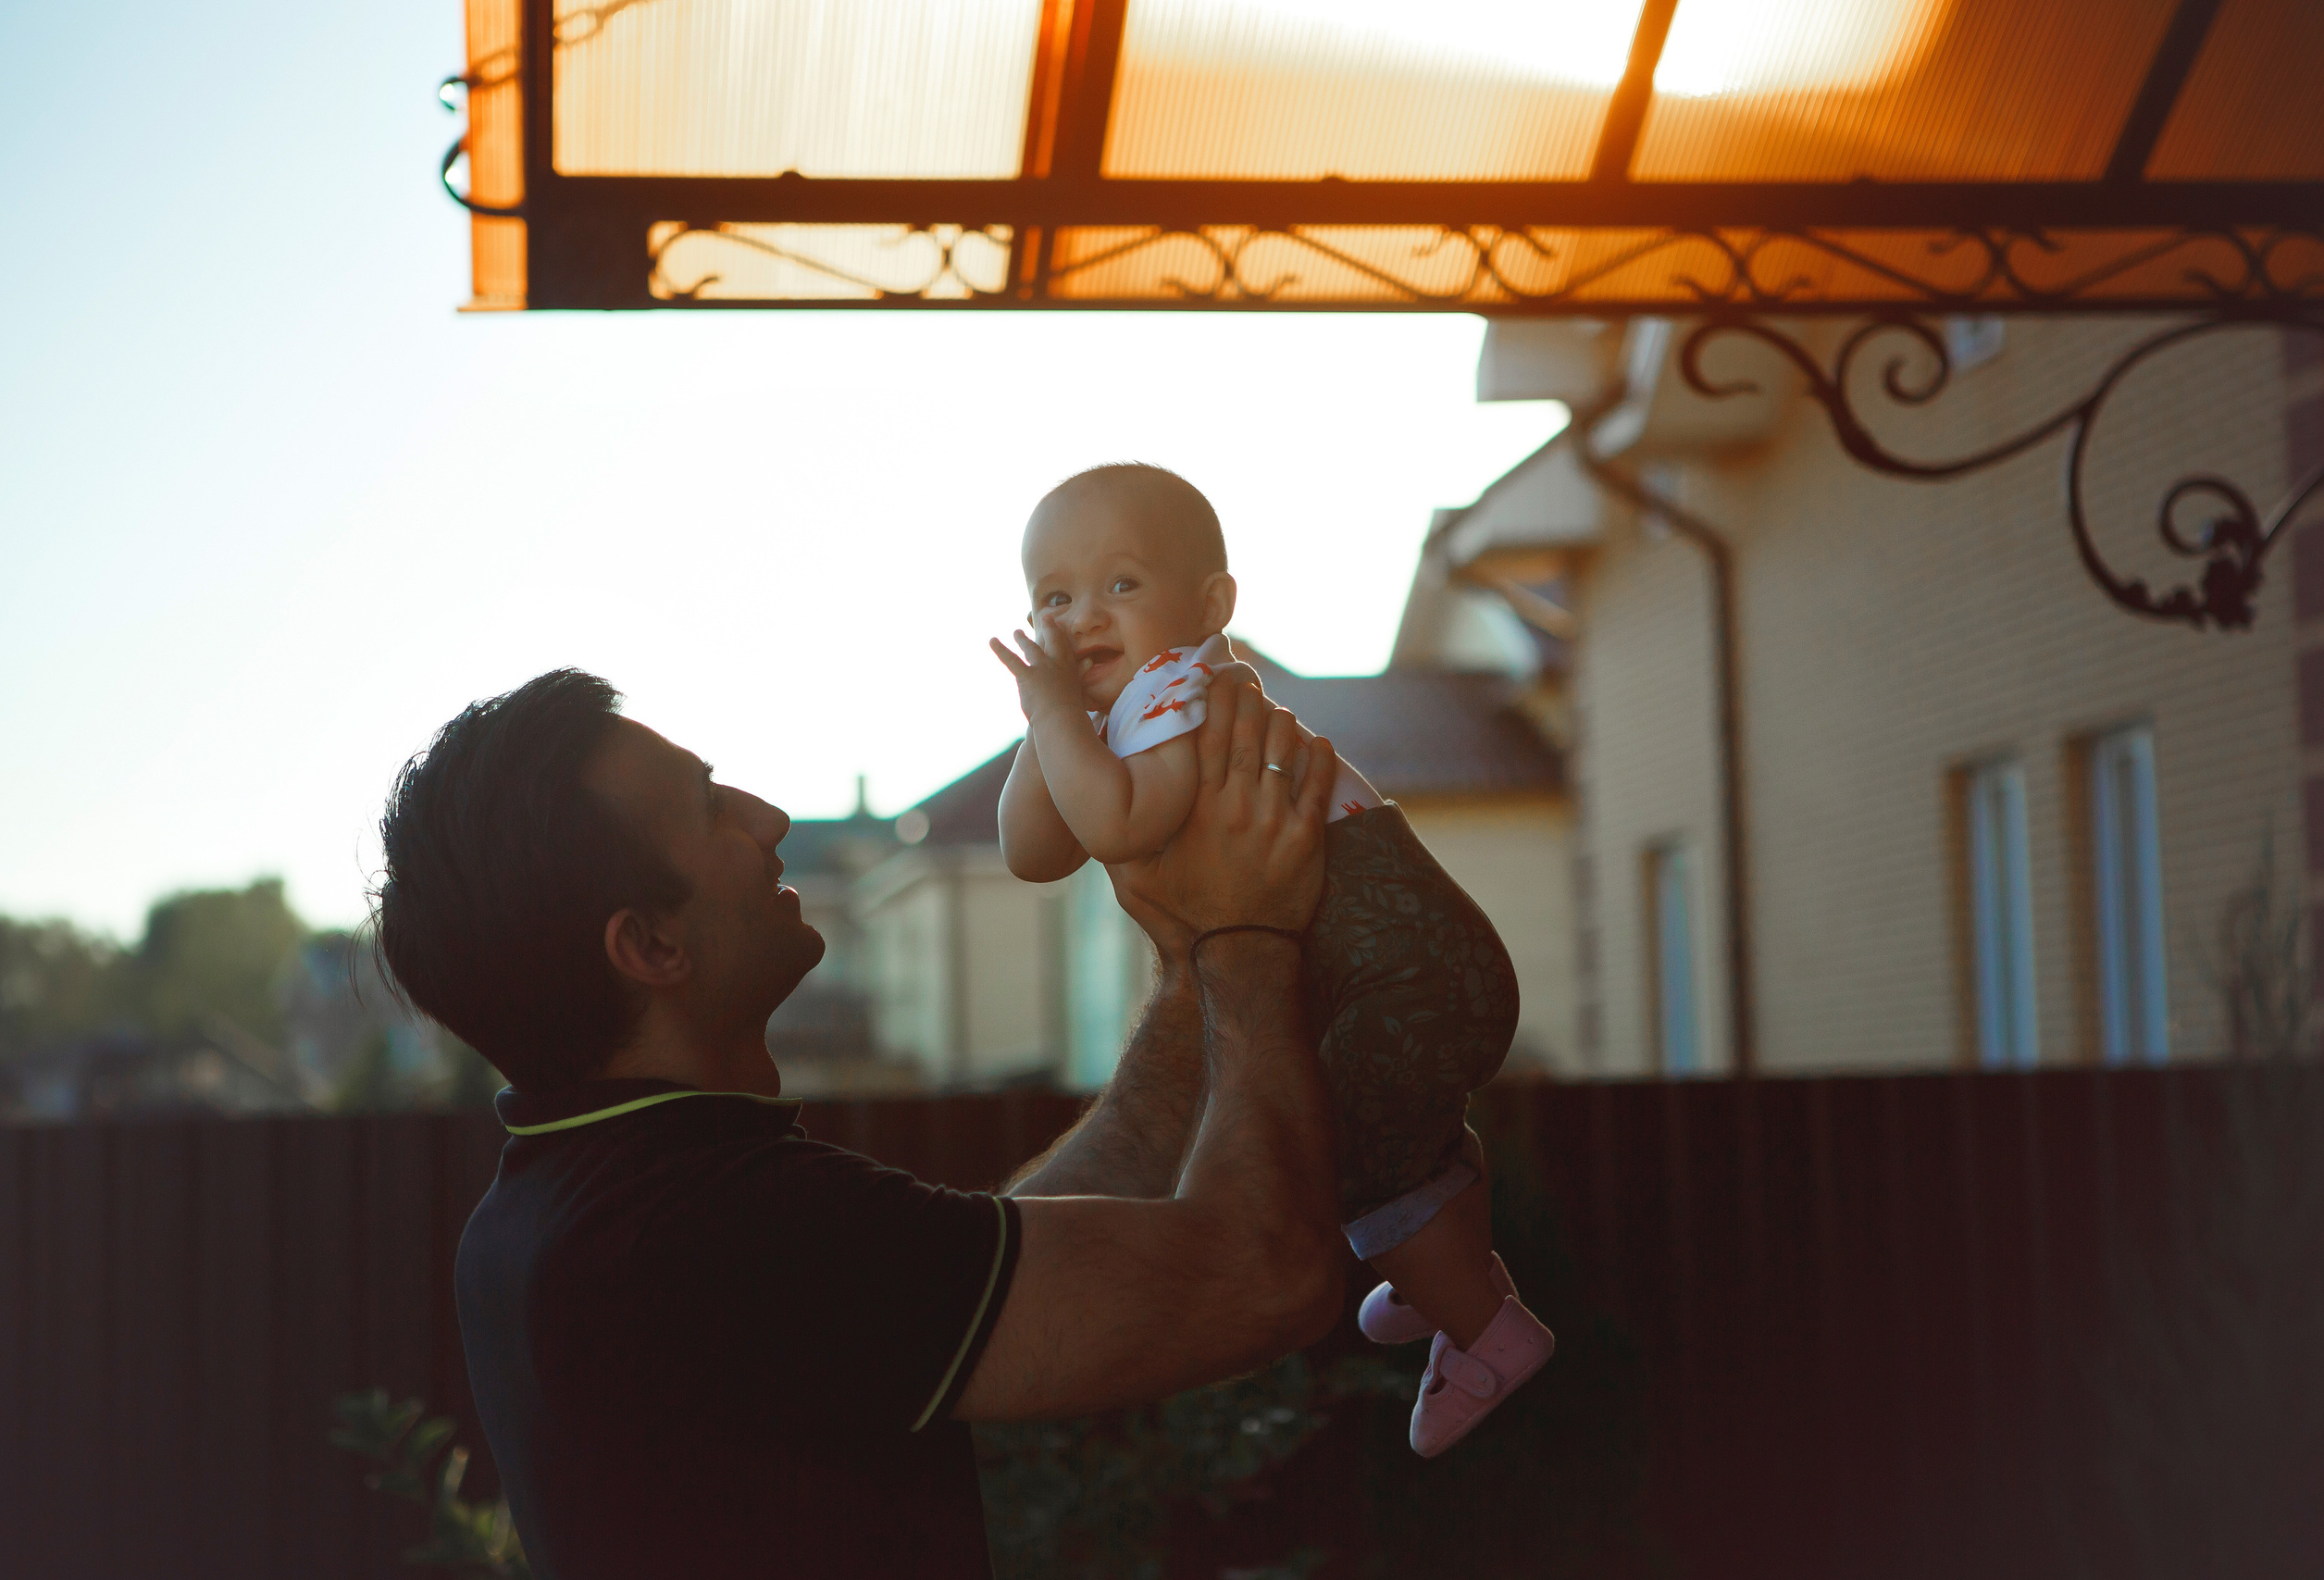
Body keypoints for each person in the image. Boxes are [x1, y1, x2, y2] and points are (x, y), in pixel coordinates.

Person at [370, 665, 1344, 1580]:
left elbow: (967, 1282)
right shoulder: (714, 1232)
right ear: (651, 945)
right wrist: (1250, 936)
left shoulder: (558, 1208)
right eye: (712, 807)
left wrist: (1188, 969)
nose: (771, 819)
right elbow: (1266, 1274)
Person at [990, 463, 1554, 1456]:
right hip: (1398, 974)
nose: (1084, 616)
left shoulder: (1184, 687)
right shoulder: (1120, 712)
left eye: (1121, 584)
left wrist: (1053, 722)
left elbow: (1123, 825)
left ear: (1208, 606)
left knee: (1336, 1152)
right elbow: (1034, 853)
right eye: (1053, 596)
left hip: (1401, 972)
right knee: (1374, 1135)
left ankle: (1485, 1331)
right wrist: (1051, 723)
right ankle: (1441, 1274)